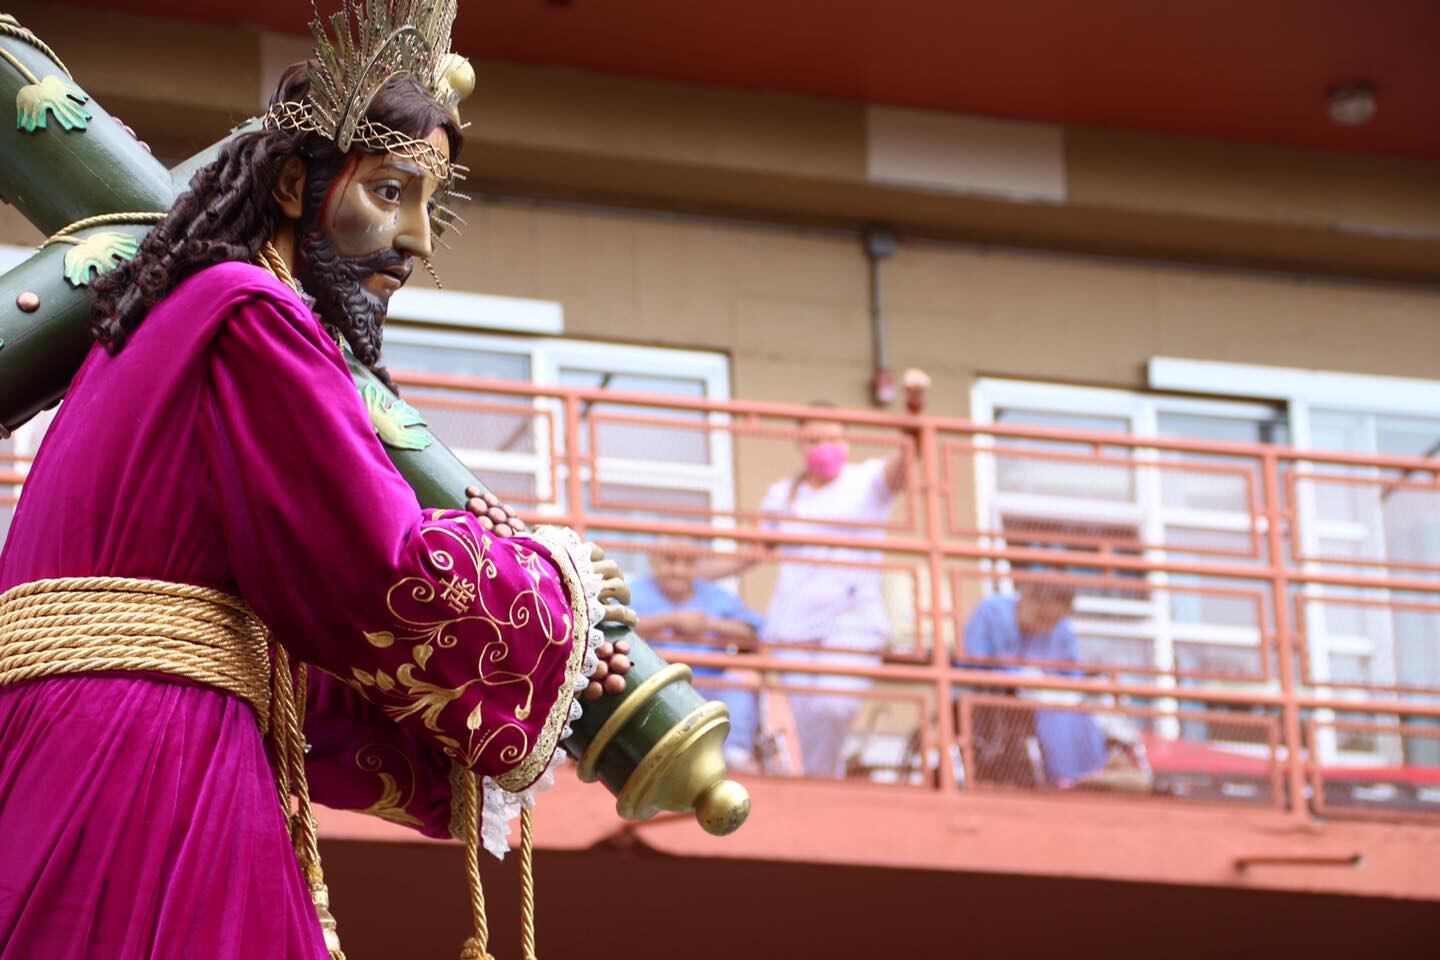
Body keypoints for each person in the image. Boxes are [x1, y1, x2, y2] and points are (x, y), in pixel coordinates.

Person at [0, 6, 634, 958]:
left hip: (80, 738)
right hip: (141, 752)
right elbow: (365, 566)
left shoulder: (161, 325)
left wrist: (481, 721)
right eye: (389, 192)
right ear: (296, 184)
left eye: (429, 207)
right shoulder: (249, 311)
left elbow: (285, 642)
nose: (413, 241)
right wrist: (553, 602)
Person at [706, 369, 930, 778]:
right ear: (799, 444)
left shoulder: (867, 483)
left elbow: (906, 459)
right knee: (805, 720)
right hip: (794, 627)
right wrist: (694, 568)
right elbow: (753, 553)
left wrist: (914, 408)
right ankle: (819, 782)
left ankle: (821, 782)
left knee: (834, 705)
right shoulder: (784, 494)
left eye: (832, 437)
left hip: (851, 621)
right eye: (814, 439)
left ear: (846, 440)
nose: (824, 446)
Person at [629, 544, 765, 772]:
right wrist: (670, 621)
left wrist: (708, 624)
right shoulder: (635, 592)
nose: (679, 571)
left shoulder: (715, 595)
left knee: (744, 678)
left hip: (710, 687)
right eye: (670, 561)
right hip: (654, 687)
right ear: (653, 561)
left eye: (688, 563)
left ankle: (736, 753)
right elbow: (612, 627)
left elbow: (752, 632)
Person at [960, 581, 1108, 788]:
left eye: (1053, 622)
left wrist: (1057, 683)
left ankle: (1092, 775)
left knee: (1079, 709)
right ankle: (1063, 778)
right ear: (1026, 597)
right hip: (997, 698)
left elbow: (1073, 672)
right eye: (1042, 618)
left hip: (1045, 697)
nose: (1046, 627)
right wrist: (1016, 677)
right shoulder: (991, 611)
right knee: (1052, 711)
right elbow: (974, 659)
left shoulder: (1062, 628)